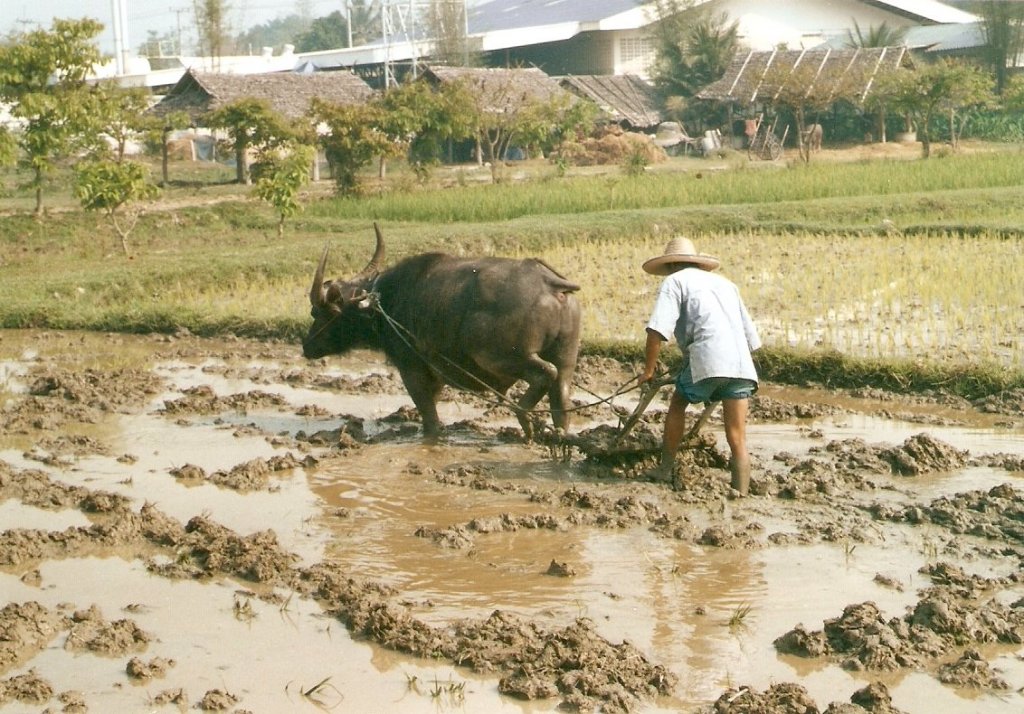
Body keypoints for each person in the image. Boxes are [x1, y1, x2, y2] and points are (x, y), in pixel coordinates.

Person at [638, 236, 761, 495]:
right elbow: (752, 338)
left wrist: (649, 371)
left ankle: (664, 468)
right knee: (737, 437)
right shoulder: (727, 284)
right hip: (741, 365)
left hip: (708, 358)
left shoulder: (674, 282)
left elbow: (657, 331)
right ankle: (741, 491)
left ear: (670, 266)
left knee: (678, 403)